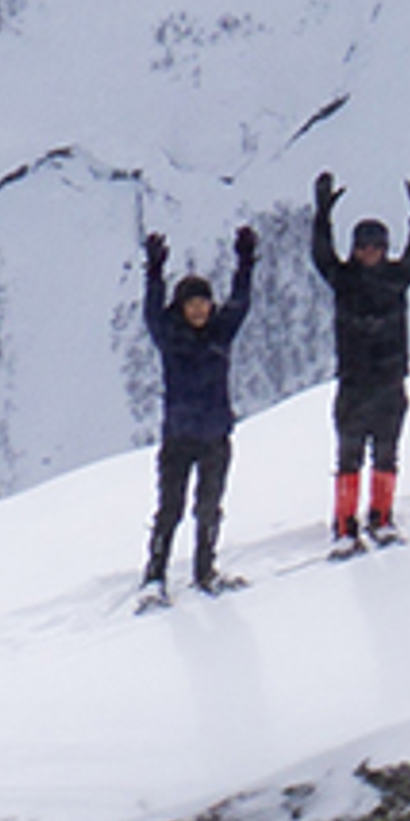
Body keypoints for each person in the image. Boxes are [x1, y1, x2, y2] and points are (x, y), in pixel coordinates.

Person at [310, 167, 410, 551]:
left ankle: (381, 517)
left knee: (386, 452)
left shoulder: (398, 276)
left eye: (376, 246)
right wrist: (322, 215)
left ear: (384, 248)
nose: (370, 253)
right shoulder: (343, 277)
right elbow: (320, 254)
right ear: (355, 249)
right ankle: (345, 524)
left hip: (389, 381)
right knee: (348, 456)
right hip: (354, 382)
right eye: (364, 247)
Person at [139, 225, 256, 602]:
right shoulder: (170, 336)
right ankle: (154, 577)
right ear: (181, 306)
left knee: (209, 507)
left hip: (214, 437)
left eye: (204, 302)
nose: (199, 308)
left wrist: (245, 263)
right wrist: (154, 273)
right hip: (180, 437)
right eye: (192, 303)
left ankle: (205, 570)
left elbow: (241, 301)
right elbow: (151, 313)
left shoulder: (220, 331)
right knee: (169, 509)